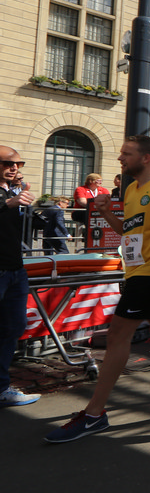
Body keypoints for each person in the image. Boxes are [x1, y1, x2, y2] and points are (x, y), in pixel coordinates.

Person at [44, 136, 150, 442]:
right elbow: (127, 232)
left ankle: (94, 414)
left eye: (126, 153)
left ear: (146, 158)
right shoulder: (131, 190)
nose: (120, 158)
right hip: (136, 270)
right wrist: (107, 212)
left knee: (118, 333)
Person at [0, 146, 40, 406]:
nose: (14, 167)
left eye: (18, 164)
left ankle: (2, 388)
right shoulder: (8, 198)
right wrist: (8, 203)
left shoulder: (11, 192)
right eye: (7, 163)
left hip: (15, 270)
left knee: (12, 328)